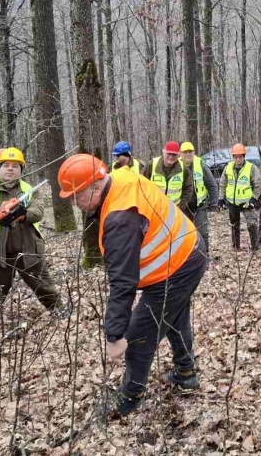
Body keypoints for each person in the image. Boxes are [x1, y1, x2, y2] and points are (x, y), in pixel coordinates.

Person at [58, 154, 207, 416]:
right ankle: (186, 372)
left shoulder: (120, 219)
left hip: (178, 265)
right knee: (173, 315)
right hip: (188, 250)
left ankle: (129, 398)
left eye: (77, 195)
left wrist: (115, 335)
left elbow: (122, 282)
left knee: (139, 335)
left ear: (95, 185)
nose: (74, 203)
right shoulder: (120, 176)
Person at [0, 147, 62, 324]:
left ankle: (60, 312)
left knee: (43, 285)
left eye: (15, 166)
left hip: (28, 248)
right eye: (6, 165)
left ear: (21, 170)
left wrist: (21, 214)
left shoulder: (29, 189)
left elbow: (38, 210)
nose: (10, 169)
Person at [219, 143, 261, 250]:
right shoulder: (227, 168)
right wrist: (221, 198)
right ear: (233, 157)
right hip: (232, 202)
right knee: (234, 225)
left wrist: (254, 199)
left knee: (252, 224)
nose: (238, 159)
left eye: (240, 157)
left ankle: (255, 247)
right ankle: (235, 246)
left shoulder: (252, 168)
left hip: (247, 202)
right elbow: (222, 183)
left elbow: (258, 184)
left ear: (244, 156)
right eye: (236, 157)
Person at [179, 141, 219, 252]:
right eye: (185, 152)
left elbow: (212, 185)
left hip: (200, 205)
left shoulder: (200, 164)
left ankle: (204, 255)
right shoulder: (176, 166)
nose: (188, 154)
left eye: (190, 152)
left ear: (194, 152)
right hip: (182, 206)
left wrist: (214, 204)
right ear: (180, 154)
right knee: (184, 233)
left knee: (202, 232)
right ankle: (187, 258)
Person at [142, 141, 195, 215]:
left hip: (174, 210)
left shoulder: (184, 169)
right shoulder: (151, 165)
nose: (171, 157)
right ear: (164, 152)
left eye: (174, 155)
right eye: (169, 153)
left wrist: (181, 206)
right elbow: (140, 184)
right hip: (153, 208)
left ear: (178, 155)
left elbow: (188, 189)